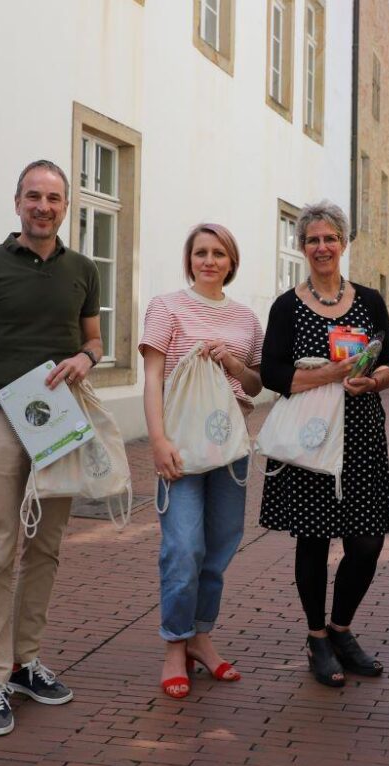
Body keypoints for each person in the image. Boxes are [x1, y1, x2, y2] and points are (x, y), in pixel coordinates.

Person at [0, 160, 102, 737]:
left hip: (59, 421)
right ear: (17, 202)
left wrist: (86, 358)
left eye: (54, 198)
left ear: (67, 206)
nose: (44, 206)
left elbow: (93, 339)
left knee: (47, 548)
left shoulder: (83, 269)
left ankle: (24, 662)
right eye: (34, 196)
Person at [259, 200, 389, 688]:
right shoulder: (287, 306)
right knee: (313, 540)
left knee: (366, 541)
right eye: (312, 239)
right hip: (310, 433)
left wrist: (374, 380)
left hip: (360, 431)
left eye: (330, 238)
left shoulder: (369, 300)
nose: (322, 247)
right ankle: (317, 636)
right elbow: (273, 374)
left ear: (343, 244)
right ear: (303, 247)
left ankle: (341, 629)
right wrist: (328, 374)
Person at [139, 223, 264, 699]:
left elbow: (254, 386)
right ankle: (175, 643)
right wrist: (157, 440)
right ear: (188, 259)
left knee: (219, 548)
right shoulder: (165, 308)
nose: (208, 261)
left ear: (231, 262)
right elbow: (152, 378)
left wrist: (233, 363)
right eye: (200, 253)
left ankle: (201, 637)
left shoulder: (247, 320)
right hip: (182, 445)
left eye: (218, 253)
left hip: (229, 449)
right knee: (182, 548)